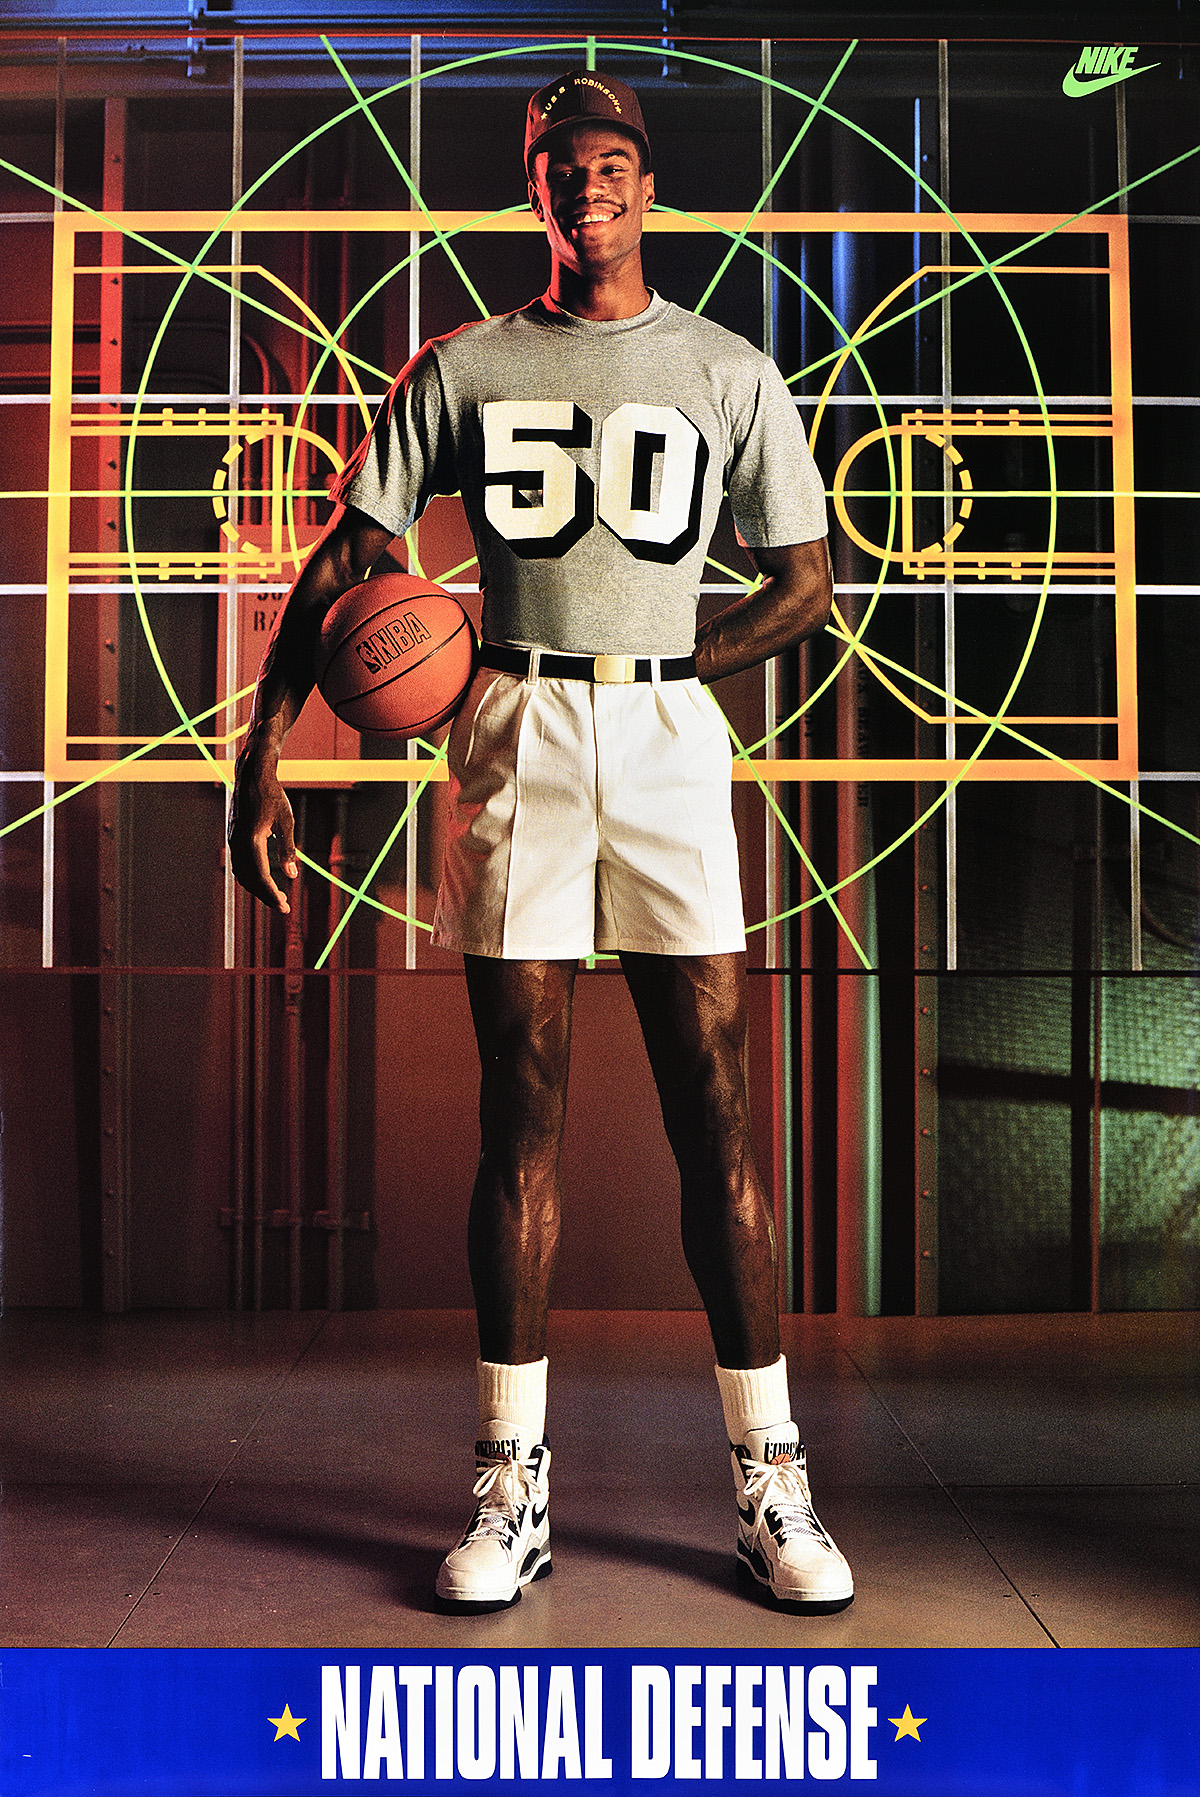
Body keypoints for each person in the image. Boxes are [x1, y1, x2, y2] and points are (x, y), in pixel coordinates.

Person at [228, 70, 852, 1616]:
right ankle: (514, 1484)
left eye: (617, 162)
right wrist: (261, 754)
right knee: (523, 1111)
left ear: (650, 186)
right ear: (536, 191)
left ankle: (770, 1476)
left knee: (720, 1112)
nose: (592, 186)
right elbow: (344, 567)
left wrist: (682, 671)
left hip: (661, 738)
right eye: (565, 166)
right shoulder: (463, 363)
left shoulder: (725, 368)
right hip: (509, 726)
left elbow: (804, 583)